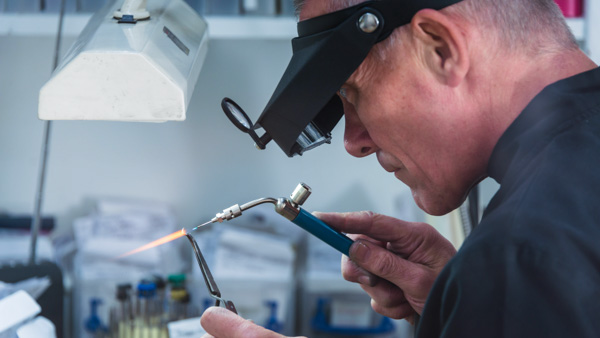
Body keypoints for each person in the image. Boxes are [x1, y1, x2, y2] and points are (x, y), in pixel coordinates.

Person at [201, 0, 600, 336]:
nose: (354, 142)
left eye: (353, 92)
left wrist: (493, 289)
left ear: (440, 49)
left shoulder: (521, 256)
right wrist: (462, 304)